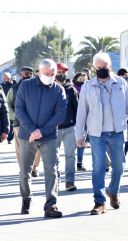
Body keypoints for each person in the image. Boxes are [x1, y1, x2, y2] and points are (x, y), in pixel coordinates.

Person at [76, 52, 128, 215]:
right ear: (94, 68)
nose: (102, 69)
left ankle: (113, 191)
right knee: (99, 168)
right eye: (99, 67)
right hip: (96, 134)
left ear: (110, 66)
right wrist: (79, 135)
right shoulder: (88, 86)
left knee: (119, 167)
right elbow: (81, 112)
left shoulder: (121, 83)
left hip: (117, 132)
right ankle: (99, 202)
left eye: (105, 67)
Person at [15, 59, 67, 218]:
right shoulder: (26, 85)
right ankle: (26, 198)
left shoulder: (59, 90)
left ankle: (51, 205)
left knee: (52, 171)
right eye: (47, 73)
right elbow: (19, 108)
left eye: (53, 74)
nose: (50, 76)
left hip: (49, 136)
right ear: (39, 71)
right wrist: (32, 130)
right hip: (27, 136)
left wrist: (42, 131)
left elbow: (60, 114)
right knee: (25, 171)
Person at [7, 66, 42, 177]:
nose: (28, 75)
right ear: (20, 74)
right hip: (19, 123)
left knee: (38, 147)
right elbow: (8, 105)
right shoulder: (13, 89)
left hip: (35, 123)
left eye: (30, 73)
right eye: (26, 73)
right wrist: (15, 117)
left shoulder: (38, 87)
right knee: (20, 149)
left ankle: (34, 168)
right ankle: (23, 168)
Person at [55, 63, 78, 191]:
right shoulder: (49, 89)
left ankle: (70, 181)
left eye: (63, 72)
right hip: (54, 129)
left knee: (70, 155)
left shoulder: (71, 90)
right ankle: (56, 180)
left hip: (70, 128)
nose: (61, 74)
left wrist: (79, 127)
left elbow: (78, 110)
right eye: (58, 71)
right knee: (54, 156)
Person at [72, 72, 88, 171]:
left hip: (86, 118)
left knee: (82, 140)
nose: (82, 81)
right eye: (80, 79)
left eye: (84, 79)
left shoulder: (90, 88)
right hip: (75, 119)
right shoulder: (73, 89)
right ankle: (71, 162)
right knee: (74, 142)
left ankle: (79, 162)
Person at [1, 72, 15, 144]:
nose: (5, 79)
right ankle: (6, 135)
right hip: (4, 106)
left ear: (9, 78)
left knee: (12, 122)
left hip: (12, 106)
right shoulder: (1, 85)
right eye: (4, 78)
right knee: (6, 121)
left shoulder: (13, 85)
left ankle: (10, 138)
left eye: (6, 78)